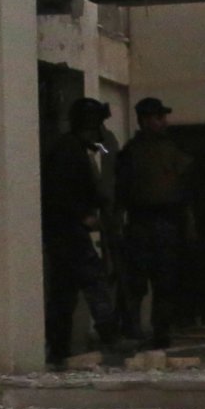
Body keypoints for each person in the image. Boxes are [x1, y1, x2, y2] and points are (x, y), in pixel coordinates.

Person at [40, 97, 118, 365]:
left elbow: (105, 151)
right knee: (94, 282)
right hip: (69, 231)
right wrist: (82, 216)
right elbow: (59, 193)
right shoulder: (69, 151)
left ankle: (59, 347)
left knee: (65, 292)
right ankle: (109, 336)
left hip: (64, 232)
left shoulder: (74, 147)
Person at [116, 95, 195, 349]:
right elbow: (121, 189)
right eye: (159, 117)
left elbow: (192, 170)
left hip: (164, 221)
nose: (164, 122)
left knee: (164, 282)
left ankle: (159, 331)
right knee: (138, 282)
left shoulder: (170, 148)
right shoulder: (132, 152)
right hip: (143, 222)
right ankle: (133, 330)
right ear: (145, 121)